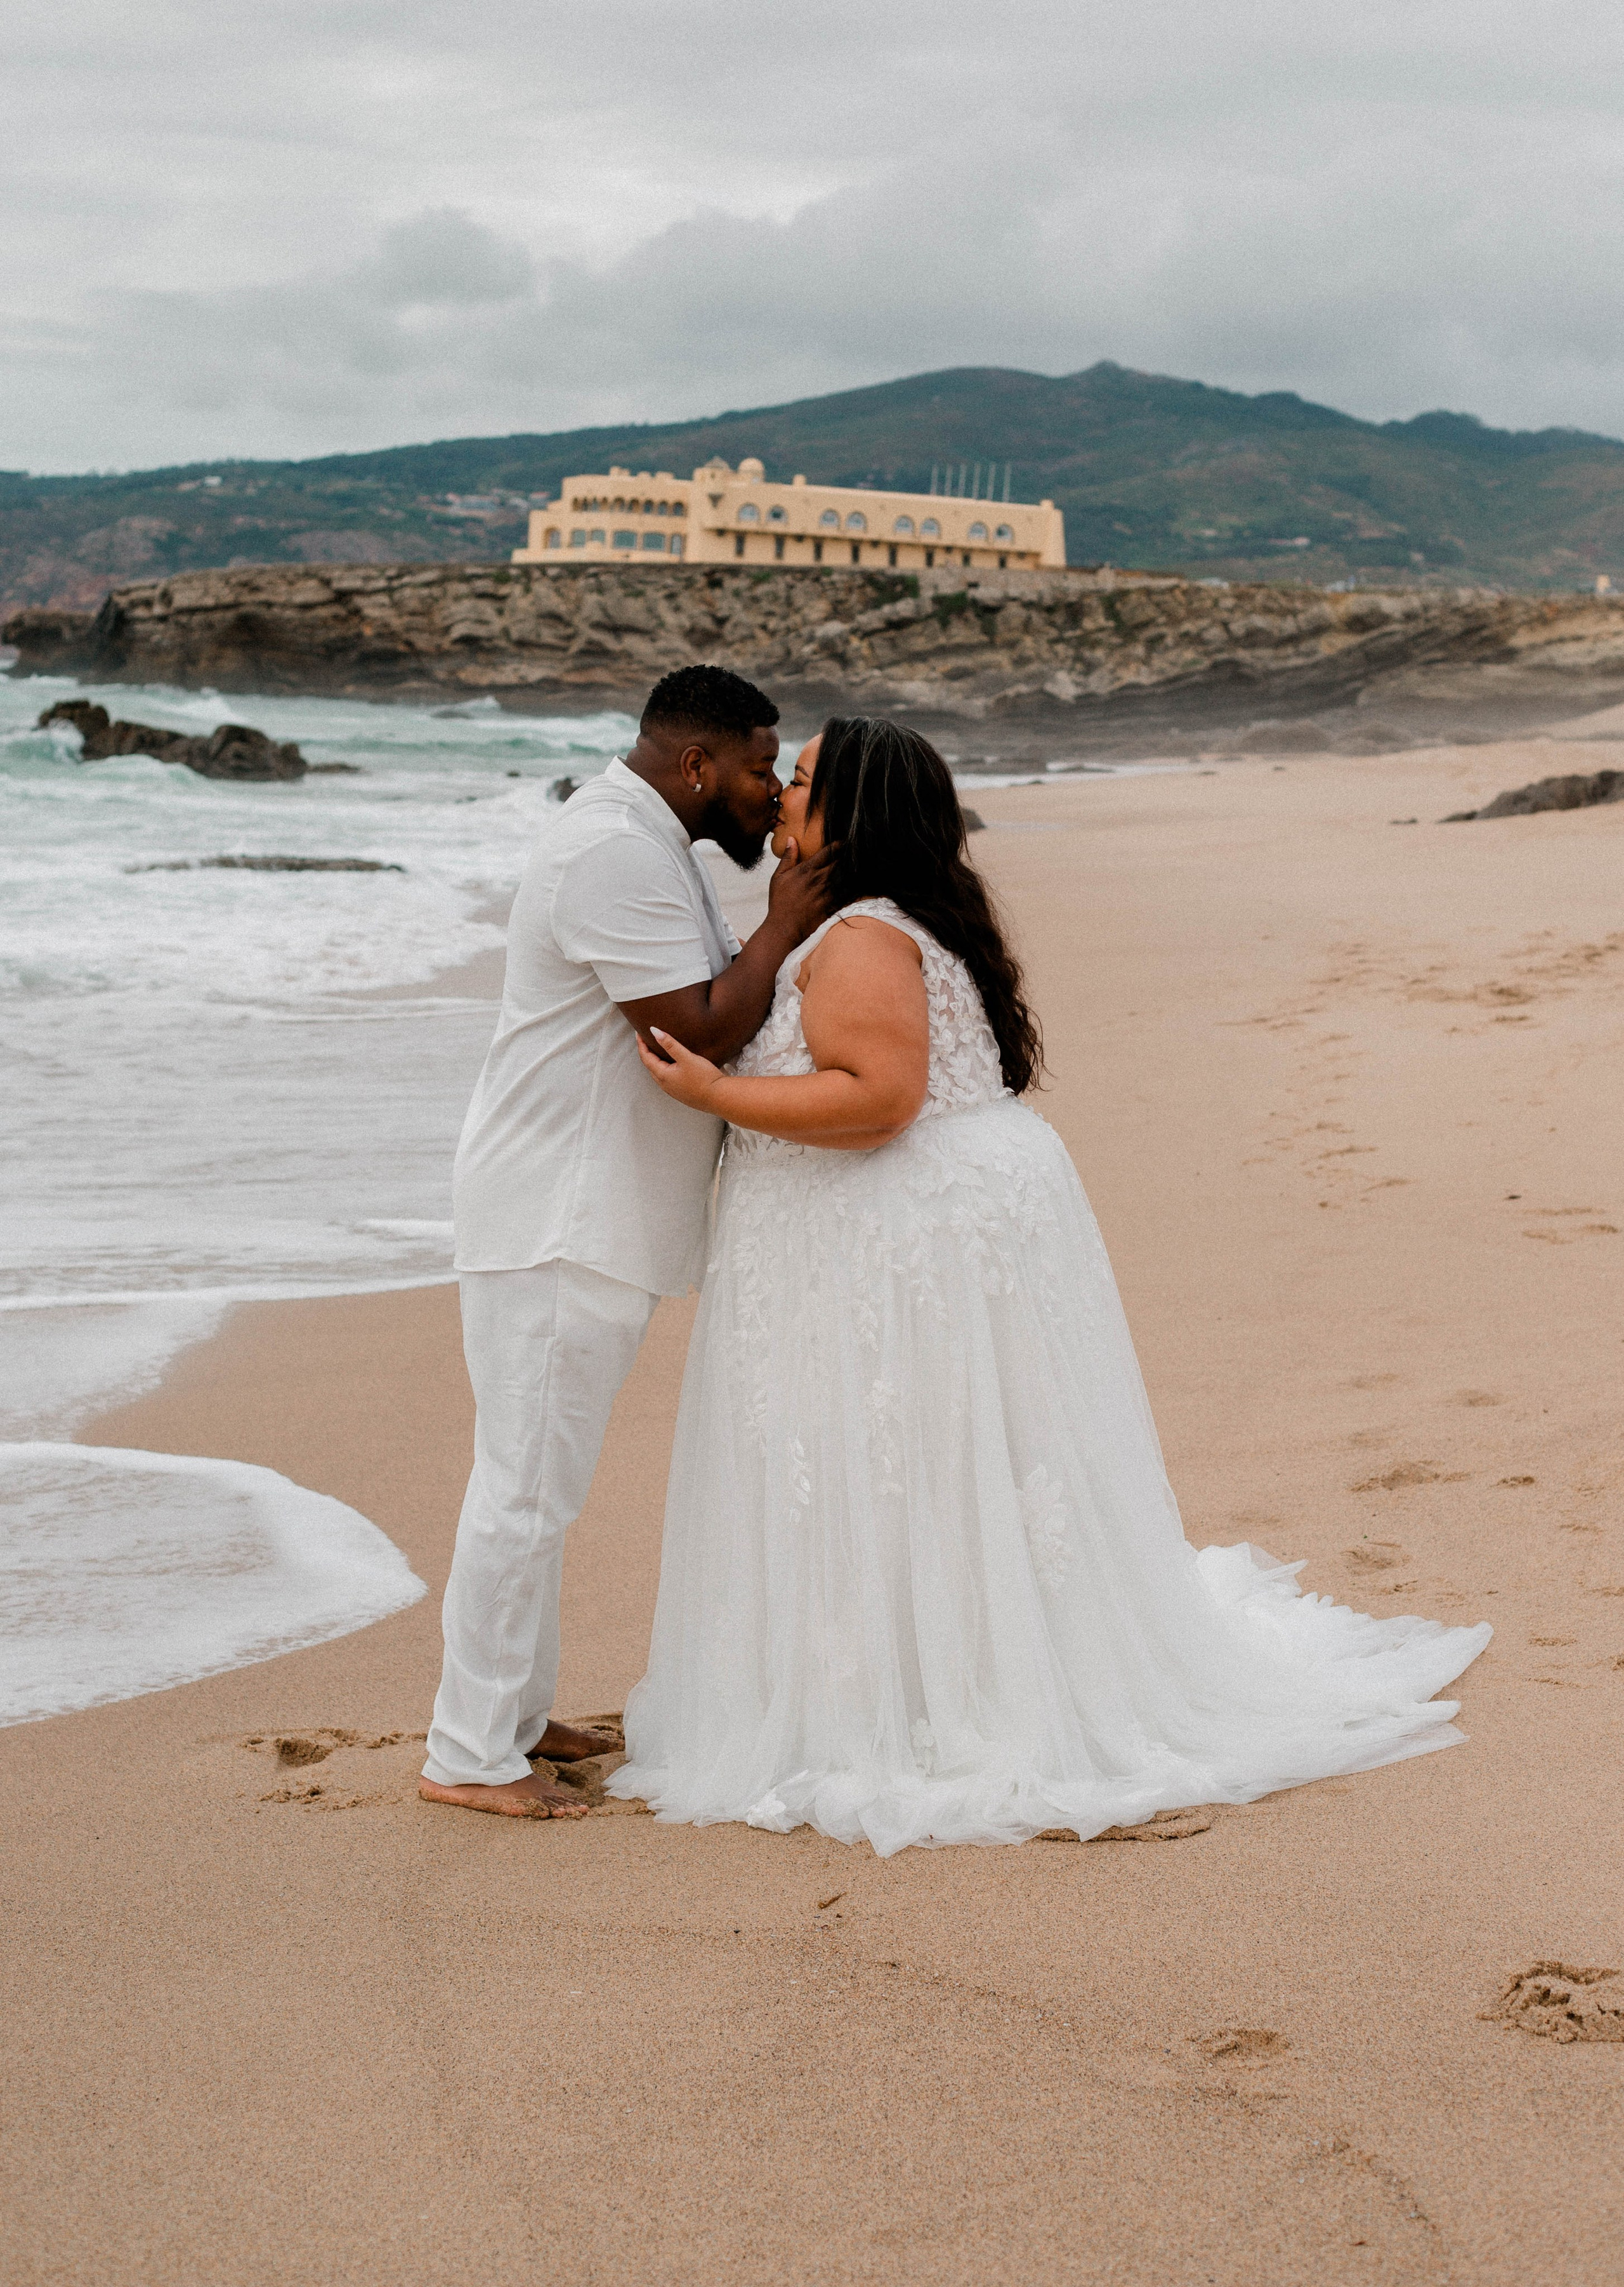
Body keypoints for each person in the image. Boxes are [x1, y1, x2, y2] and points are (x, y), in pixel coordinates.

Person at [614, 716, 1492, 1855]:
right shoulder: (876, 922)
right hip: (920, 1232)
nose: (782, 791)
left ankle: (926, 1695)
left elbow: (878, 1096)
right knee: (921, 1466)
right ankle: (921, 1668)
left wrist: (714, 1097)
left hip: (896, 1240)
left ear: (859, 814)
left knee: (908, 1464)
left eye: (808, 780)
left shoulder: (867, 939)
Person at [421, 666, 835, 1818]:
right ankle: (466, 1754)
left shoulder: (648, 842)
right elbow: (692, 1028)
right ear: (697, 764)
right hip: (559, 1214)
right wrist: (785, 921)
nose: (769, 791)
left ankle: (510, 1711)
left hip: (584, 1210)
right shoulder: (611, 850)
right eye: (760, 768)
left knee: (540, 1483)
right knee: (523, 1489)